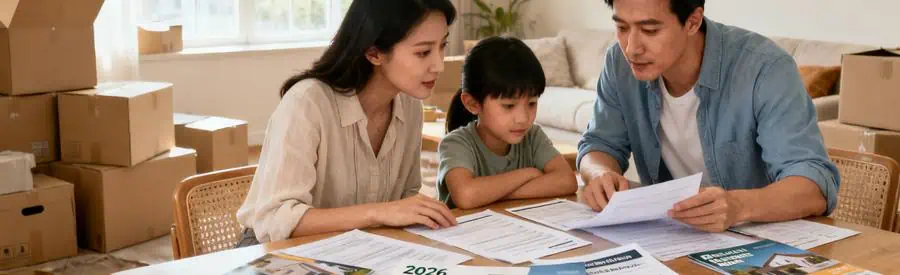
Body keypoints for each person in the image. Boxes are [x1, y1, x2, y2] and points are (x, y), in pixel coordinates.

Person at [577, 0, 840, 232]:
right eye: (622, 28)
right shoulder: (618, 63)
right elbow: (599, 145)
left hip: (757, 238)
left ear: (693, 21)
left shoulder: (765, 69)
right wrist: (599, 173)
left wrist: (738, 206)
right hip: (671, 237)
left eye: (650, 30)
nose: (632, 48)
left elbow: (815, 186)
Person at [235, 0, 459, 246]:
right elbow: (275, 220)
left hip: (353, 248)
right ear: (373, 52)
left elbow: (405, 196)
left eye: (443, 46)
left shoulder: (409, 105)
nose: (439, 65)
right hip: (274, 252)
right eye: (423, 52)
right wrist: (378, 212)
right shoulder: (307, 103)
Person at [436, 37, 578, 210]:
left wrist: (494, 195)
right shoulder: (455, 144)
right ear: (473, 104)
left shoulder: (532, 136)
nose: (523, 118)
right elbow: (466, 196)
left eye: (532, 103)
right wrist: (528, 174)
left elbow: (567, 181)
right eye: (509, 106)